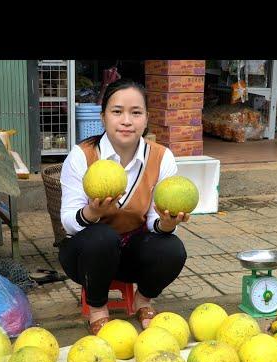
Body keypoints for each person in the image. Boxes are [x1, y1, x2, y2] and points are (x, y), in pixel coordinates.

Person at [58, 78, 189, 335]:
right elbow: (68, 221)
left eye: (136, 112)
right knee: (102, 238)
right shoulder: (81, 155)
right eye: (117, 111)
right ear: (103, 116)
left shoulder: (162, 157)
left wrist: (166, 223)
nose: (126, 120)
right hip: (87, 256)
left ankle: (143, 299)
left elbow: (153, 221)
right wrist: (92, 212)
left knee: (172, 248)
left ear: (146, 118)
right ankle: (97, 307)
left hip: (132, 254)